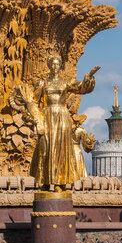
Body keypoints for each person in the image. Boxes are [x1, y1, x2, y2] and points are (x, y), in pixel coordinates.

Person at [17, 55, 99, 191]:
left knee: (61, 148)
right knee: (46, 147)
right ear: (49, 66)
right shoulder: (42, 83)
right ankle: (45, 181)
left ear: (60, 66)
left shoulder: (65, 83)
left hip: (62, 117)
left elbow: (81, 88)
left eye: (57, 64)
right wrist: (35, 118)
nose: (55, 67)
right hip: (48, 116)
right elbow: (34, 102)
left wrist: (89, 77)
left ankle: (60, 183)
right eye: (53, 64)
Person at [71, 114, 96, 182]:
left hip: (67, 150)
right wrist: (91, 140)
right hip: (77, 150)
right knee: (78, 167)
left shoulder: (65, 129)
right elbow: (86, 143)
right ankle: (79, 181)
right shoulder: (81, 130)